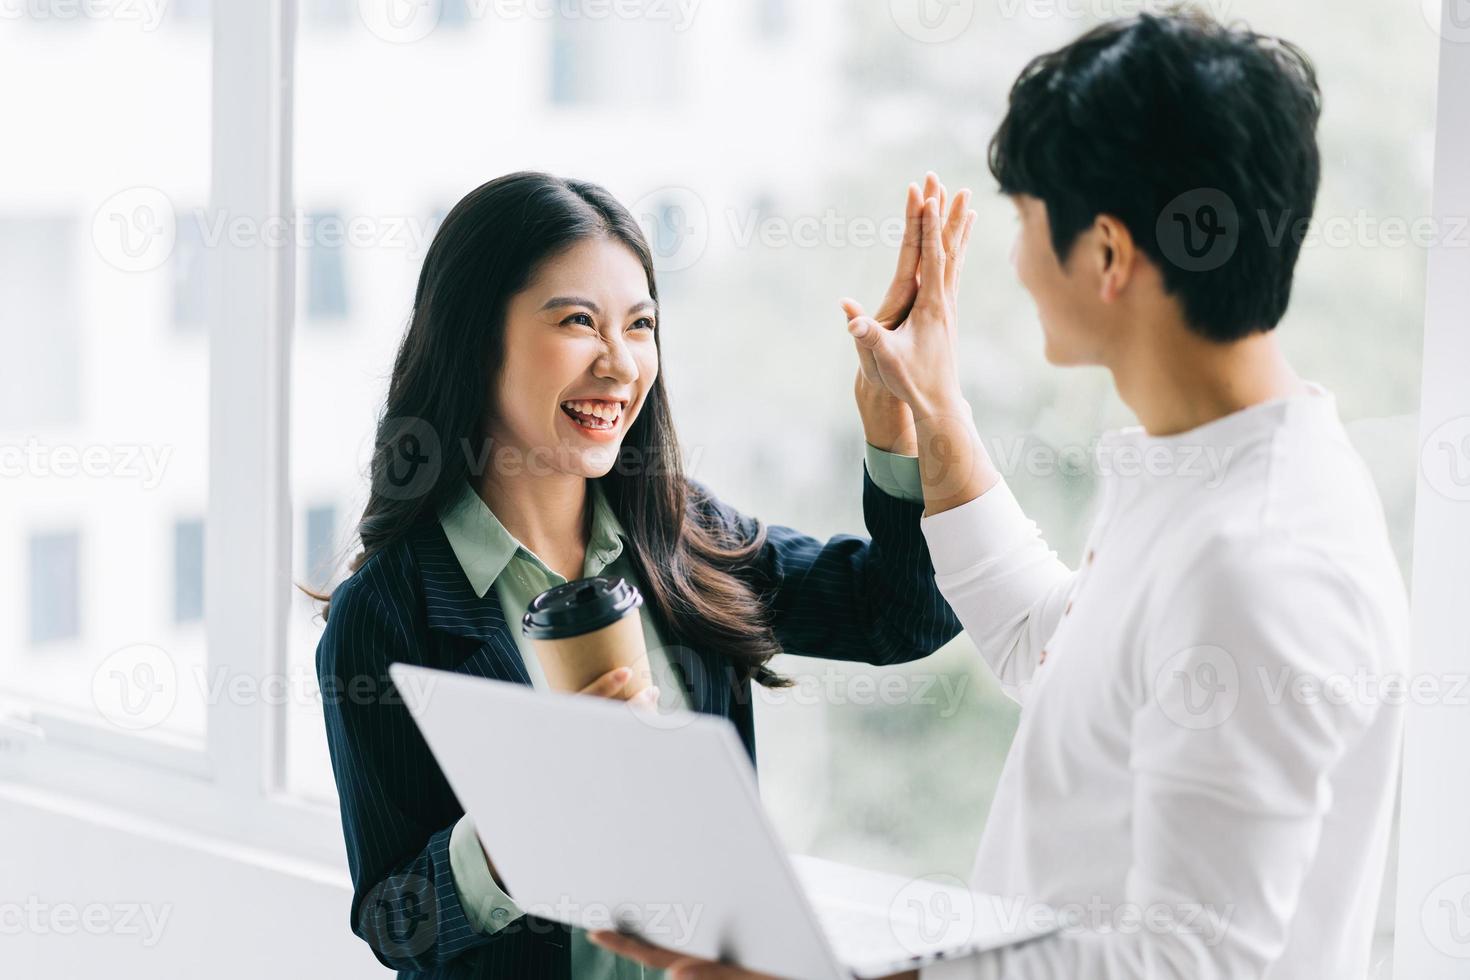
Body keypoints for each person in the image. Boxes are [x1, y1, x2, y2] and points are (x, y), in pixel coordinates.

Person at [595, 11, 1407, 979]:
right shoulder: (1201, 474)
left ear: (1107, 254)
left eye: (1024, 221)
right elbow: (1051, 647)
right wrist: (932, 409)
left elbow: (1188, 961)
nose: (1016, 265)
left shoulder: (1259, 558)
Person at [313, 170, 971, 978]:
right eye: (579, 323)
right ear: (474, 337)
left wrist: (900, 423)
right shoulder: (386, 613)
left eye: (641, 325)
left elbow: (901, 615)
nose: (619, 364)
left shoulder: (684, 536)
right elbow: (394, 925)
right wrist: (526, 823)